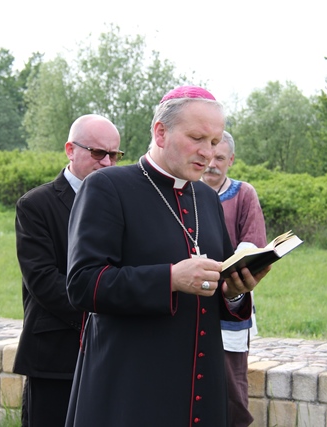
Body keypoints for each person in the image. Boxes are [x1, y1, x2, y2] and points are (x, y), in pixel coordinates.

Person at [64, 86, 271, 427]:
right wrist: (171, 278)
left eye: (215, 142)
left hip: (201, 384)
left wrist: (234, 290)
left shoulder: (206, 198)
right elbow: (83, 284)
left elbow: (213, 286)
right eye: (197, 138)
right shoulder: (107, 187)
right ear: (160, 132)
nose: (208, 153)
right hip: (130, 385)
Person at [13, 114, 122, 427]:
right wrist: (101, 308)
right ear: (70, 150)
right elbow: (42, 280)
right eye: (98, 152)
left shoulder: (121, 203)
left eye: (114, 154)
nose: (107, 162)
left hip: (111, 350)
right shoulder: (35, 205)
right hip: (56, 352)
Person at [202, 131, 267, 427]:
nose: (212, 164)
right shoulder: (186, 192)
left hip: (231, 298)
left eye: (220, 158)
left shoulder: (243, 194)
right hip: (190, 299)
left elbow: (252, 245)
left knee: (231, 388)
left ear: (231, 160)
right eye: (209, 156)